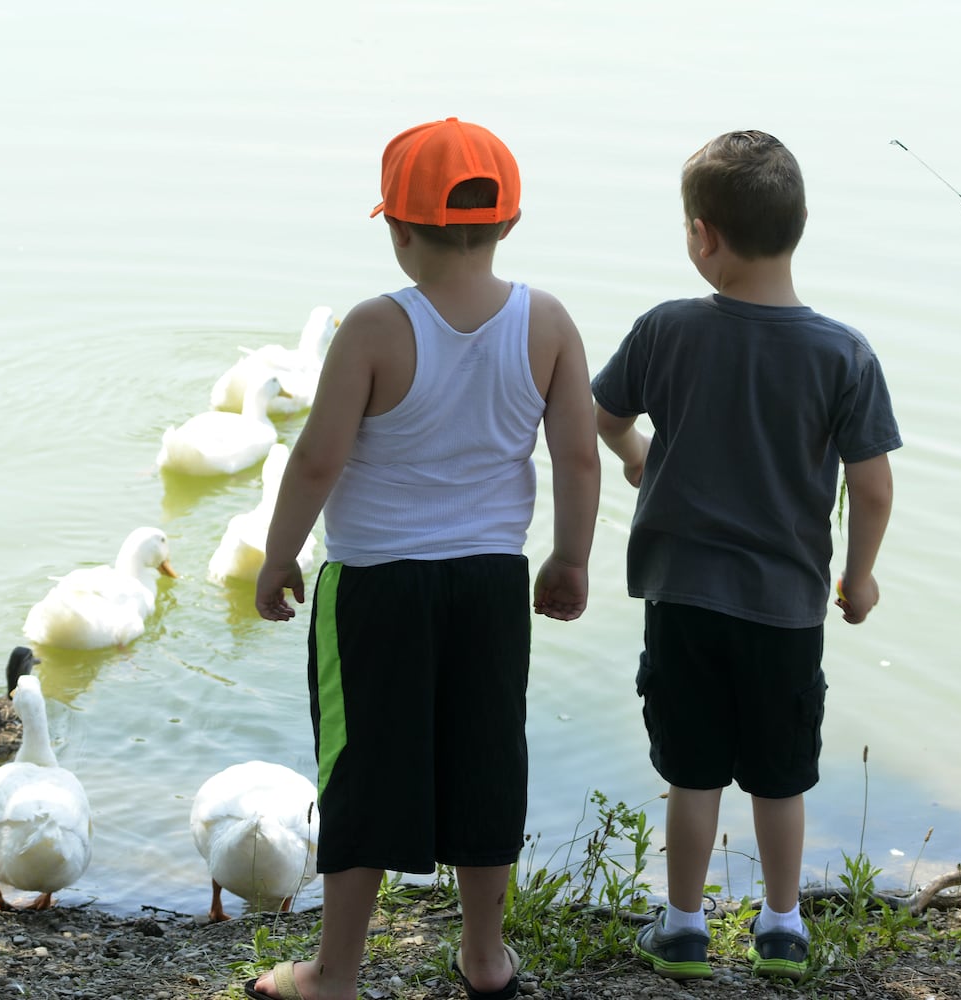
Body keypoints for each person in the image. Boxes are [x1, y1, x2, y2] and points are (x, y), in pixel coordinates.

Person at [245, 117, 600, 1000]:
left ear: (399, 232)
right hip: (490, 582)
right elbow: (581, 455)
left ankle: (335, 972)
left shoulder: (374, 327)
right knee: (486, 758)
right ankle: (484, 958)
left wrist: (277, 556)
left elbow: (317, 460)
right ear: (508, 225)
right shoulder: (546, 321)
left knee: (361, 765)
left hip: (375, 586)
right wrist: (571, 559)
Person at [591, 130, 901, 982]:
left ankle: (685, 926)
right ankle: (781, 927)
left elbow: (604, 416)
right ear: (800, 225)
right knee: (779, 774)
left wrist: (637, 460)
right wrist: (860, 575)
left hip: (683, 598)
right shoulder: (844, 353)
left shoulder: (666, 331)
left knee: (693, 773)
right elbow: (871, 489)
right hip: (788, 609)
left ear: (702, 235)